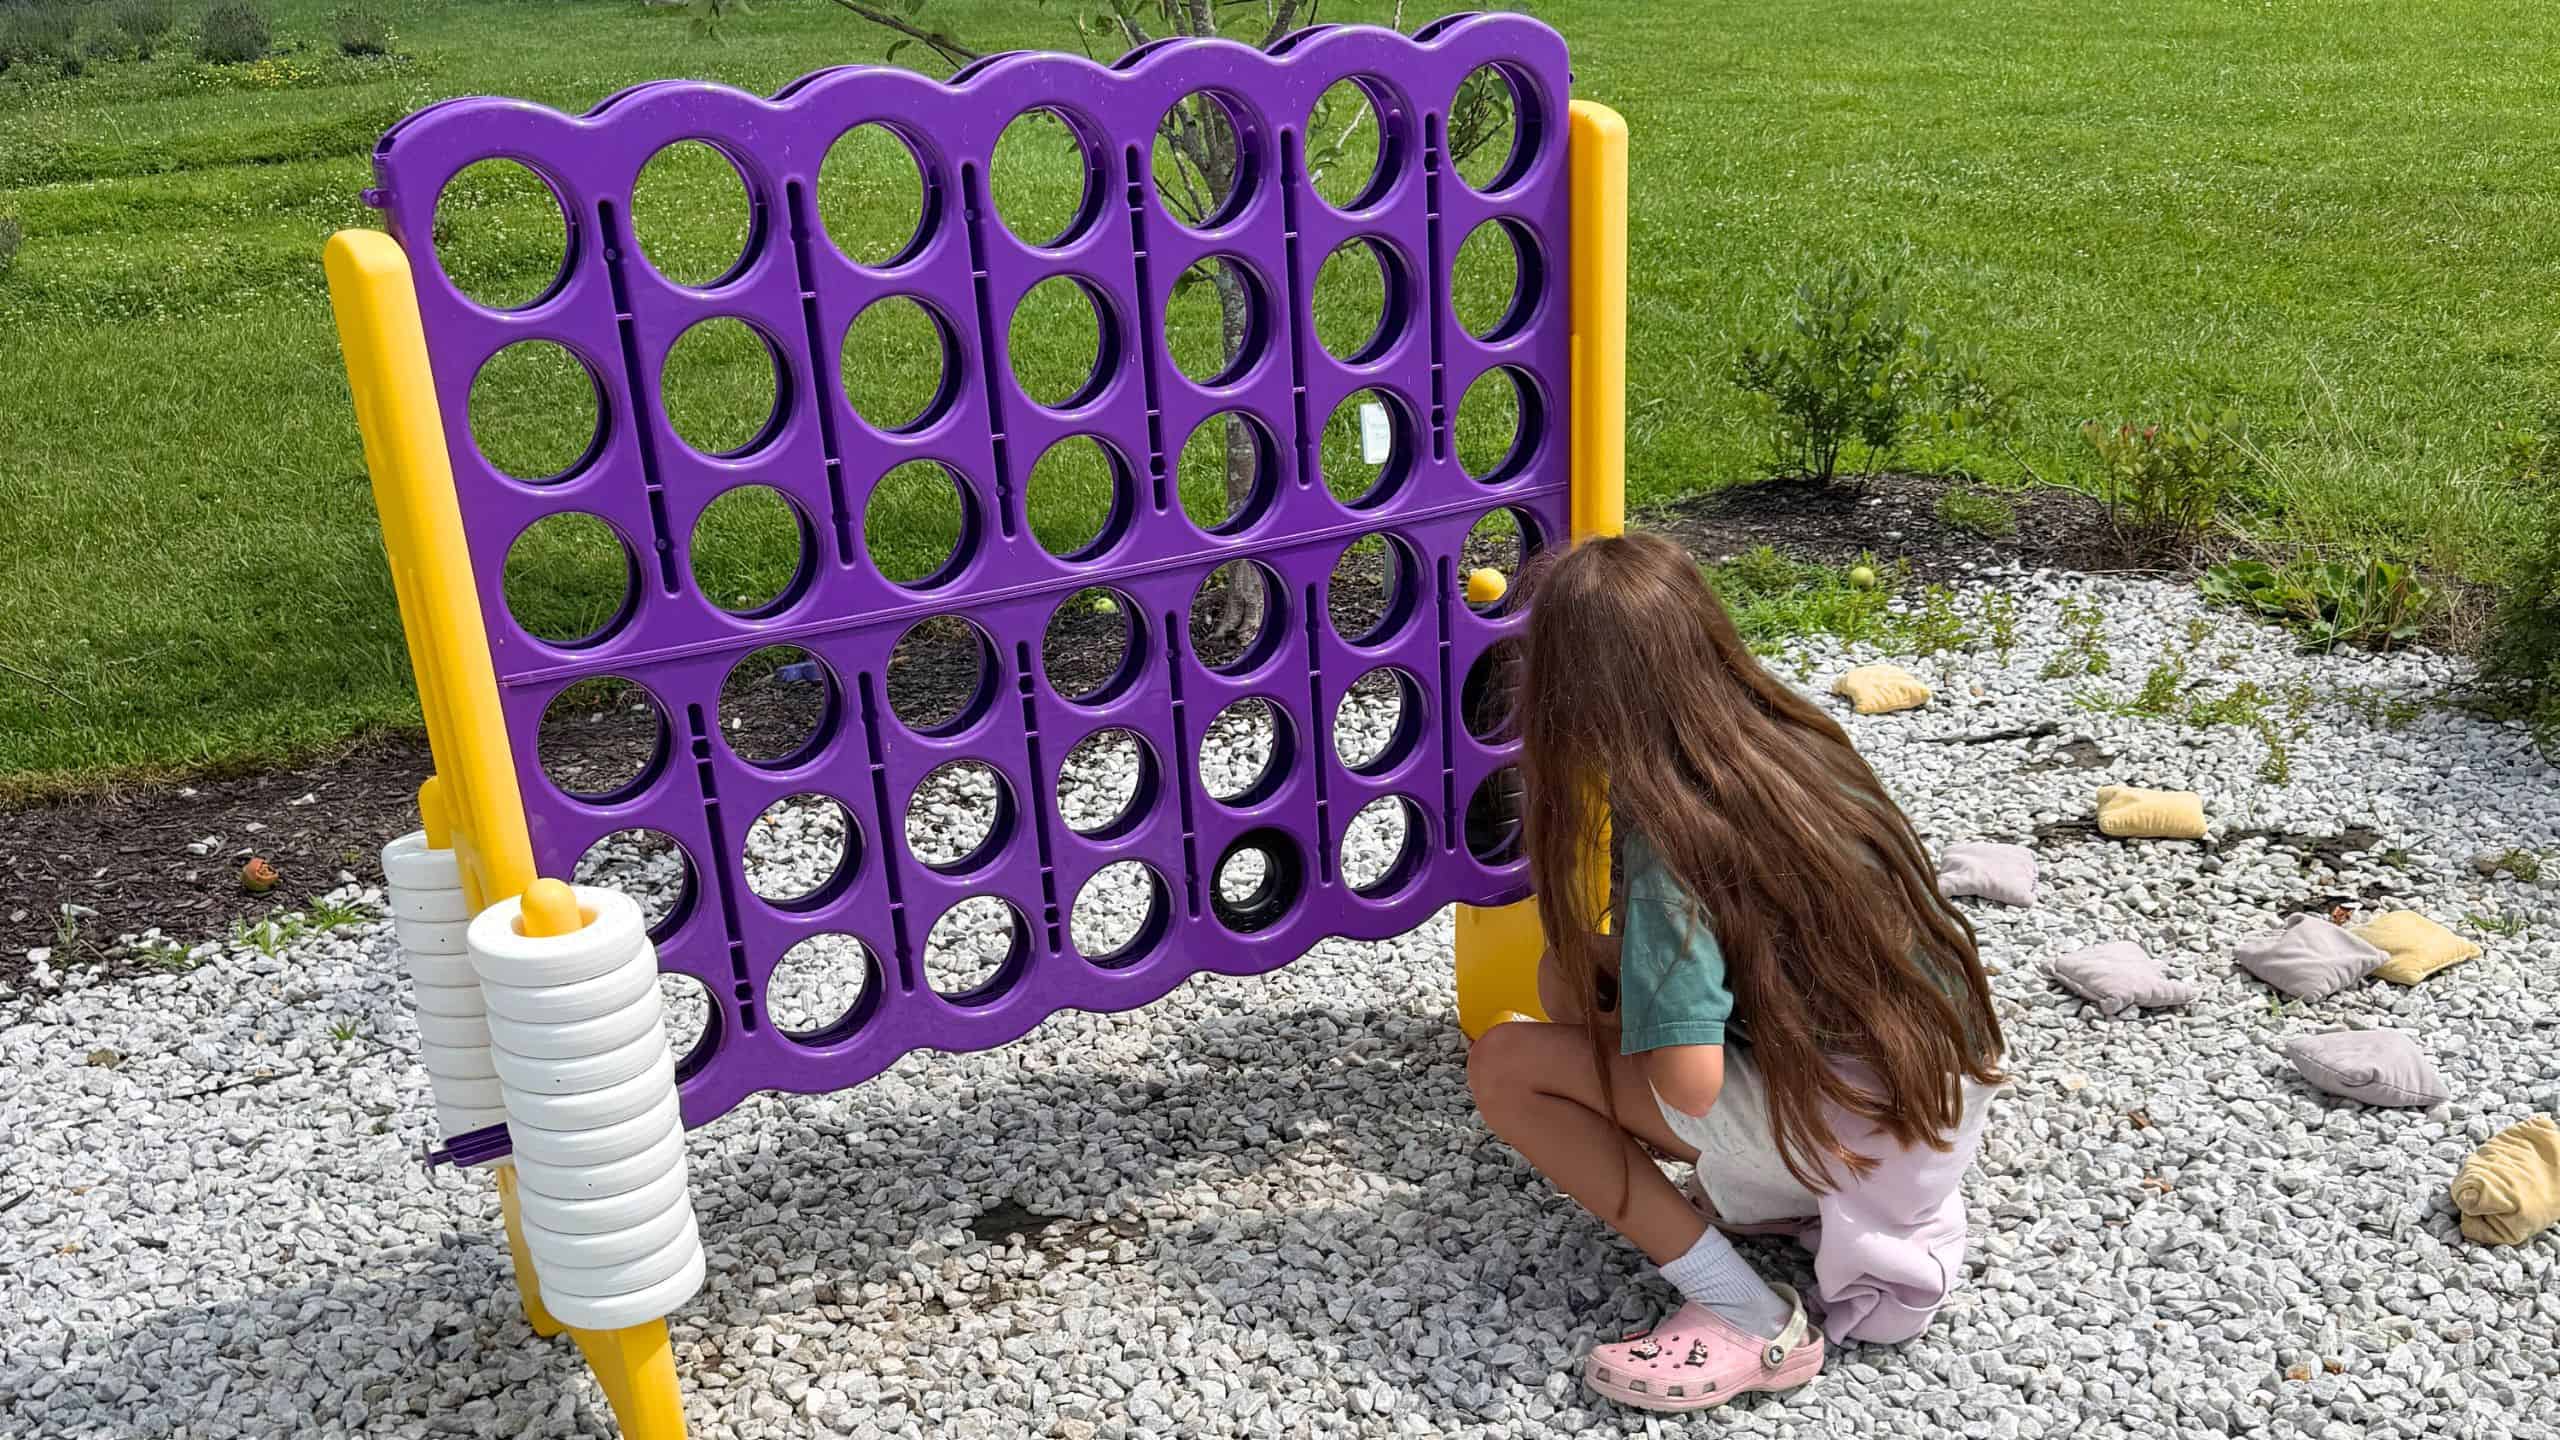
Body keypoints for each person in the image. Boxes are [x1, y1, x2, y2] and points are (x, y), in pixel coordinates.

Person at [1465, 532, 2008, 1413]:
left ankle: (1747, 1312)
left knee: (1508, 1067)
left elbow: (1690, 1075)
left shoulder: (1670, 840)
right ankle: (1775, 1195)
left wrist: (1646, 1002)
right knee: (1565, 981)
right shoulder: (1790, 738)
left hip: (1859, 1126)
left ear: (1568, 695)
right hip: (1930, 1082)